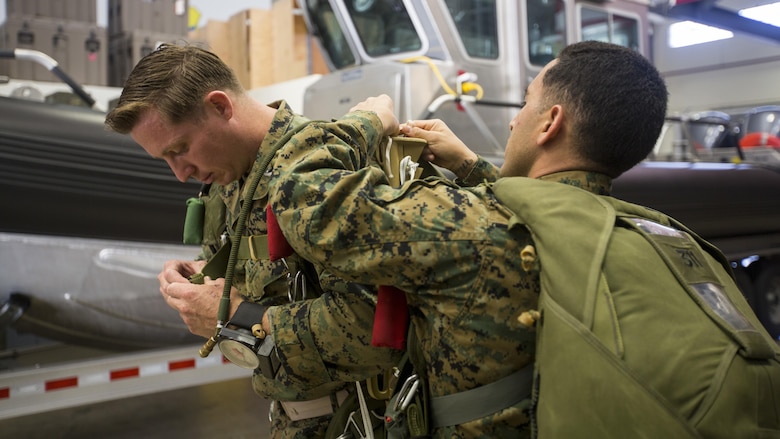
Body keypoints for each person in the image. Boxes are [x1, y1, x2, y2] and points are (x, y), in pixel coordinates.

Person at [264, 40, 780, 438]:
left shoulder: (468, 227)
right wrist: (470, 165)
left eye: (527, 102)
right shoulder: (648, 226)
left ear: (550, 122)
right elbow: (532, 211)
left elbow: (307, 199)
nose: (513, 118)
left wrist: (365, 122)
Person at [103, 43, 402, 438]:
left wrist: (235, 316)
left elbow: (374, 329)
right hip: (293, 417)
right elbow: (265, 273)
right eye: (166, 159)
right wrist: (202, 280)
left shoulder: (309, 173)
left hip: (356, 421)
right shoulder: (233, 178)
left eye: (179, 150)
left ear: (220, 106)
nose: (180, 174)